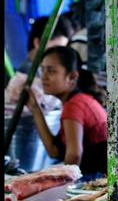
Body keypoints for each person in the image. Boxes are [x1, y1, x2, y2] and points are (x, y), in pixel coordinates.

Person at [24, 46, 108, 175]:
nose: (44, 77)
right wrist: (35, 108)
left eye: (51, 71)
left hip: (98, 182)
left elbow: (74, 156)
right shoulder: (77, 100)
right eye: (43, 70)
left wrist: (63, 186)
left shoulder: (75, 105)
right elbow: (54, 151)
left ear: (72, 76)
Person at [5, 16, 75, 113]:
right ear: (38, 42)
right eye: (55, 49)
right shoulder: (28, 79)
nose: (60, 58)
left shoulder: (32, 74)